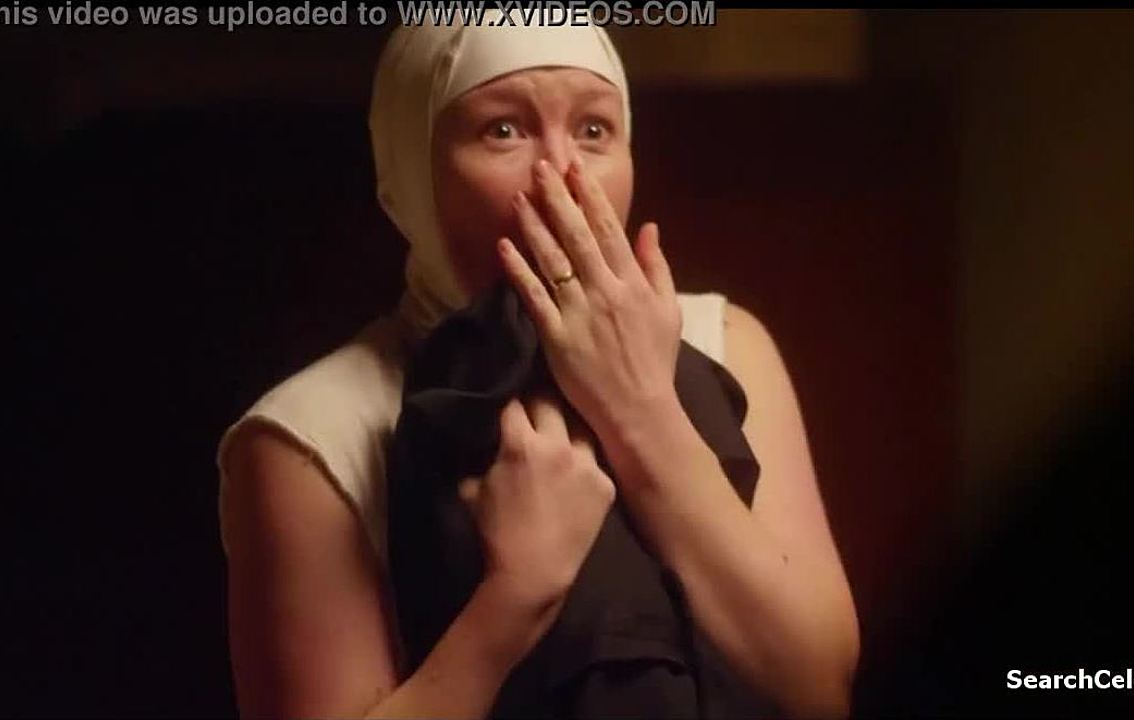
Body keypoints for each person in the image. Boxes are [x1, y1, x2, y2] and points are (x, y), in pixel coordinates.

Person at [216, 13, 859, 720]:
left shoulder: (726, 342)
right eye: (504, 130)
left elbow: (817, 686)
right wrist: (516, 594)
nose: (562, 174)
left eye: (594, 130)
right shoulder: (311, 435)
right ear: (411, 172)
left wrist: (641, 411)